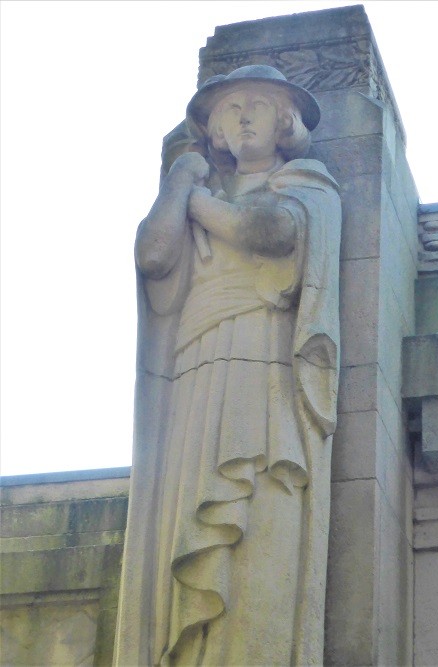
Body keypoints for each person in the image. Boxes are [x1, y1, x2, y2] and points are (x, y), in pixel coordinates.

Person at [113, 65, 341, 667]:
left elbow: (268, 231)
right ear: (212, 129)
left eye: (259, 106)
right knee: (187, 527)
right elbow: (153, 254)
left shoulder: (308, 183)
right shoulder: (194, 188)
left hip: (261, 359)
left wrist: (200, 203)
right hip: (193, 372)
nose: (243, 117)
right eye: (230, 108)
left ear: (285, 121)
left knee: (255, 512)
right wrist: (181, 179)